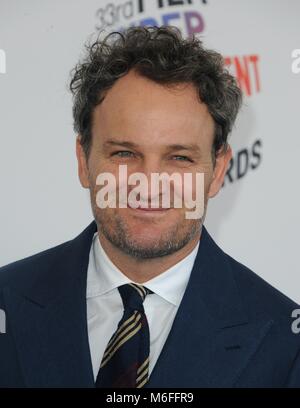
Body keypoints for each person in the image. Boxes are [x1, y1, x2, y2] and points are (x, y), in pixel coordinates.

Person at [0, 26, 299, 388]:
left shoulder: (286, 341)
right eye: (125, 153)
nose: (149, 183)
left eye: (179, 158)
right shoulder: (8, 301)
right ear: (83, 160)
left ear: (218, 171)